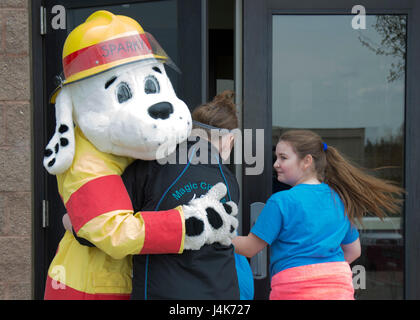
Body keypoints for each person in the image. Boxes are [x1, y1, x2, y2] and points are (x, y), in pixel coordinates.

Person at [65, 90, 253, 299]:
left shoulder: (151, 164)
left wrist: (77, 226)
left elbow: (99, 230)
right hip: (221, 293)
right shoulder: (228, 180)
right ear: (230, 140)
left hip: (163, 291)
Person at [232, 129, 403, 300]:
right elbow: (354, 251)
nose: (276, 164)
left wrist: (215, 236)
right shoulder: (339, 199)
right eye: (276, 157)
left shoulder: (281, 201)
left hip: (294, 288)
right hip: (339, 288)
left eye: (283, 158)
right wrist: (325, 270)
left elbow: (249, 248)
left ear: (307, 161)